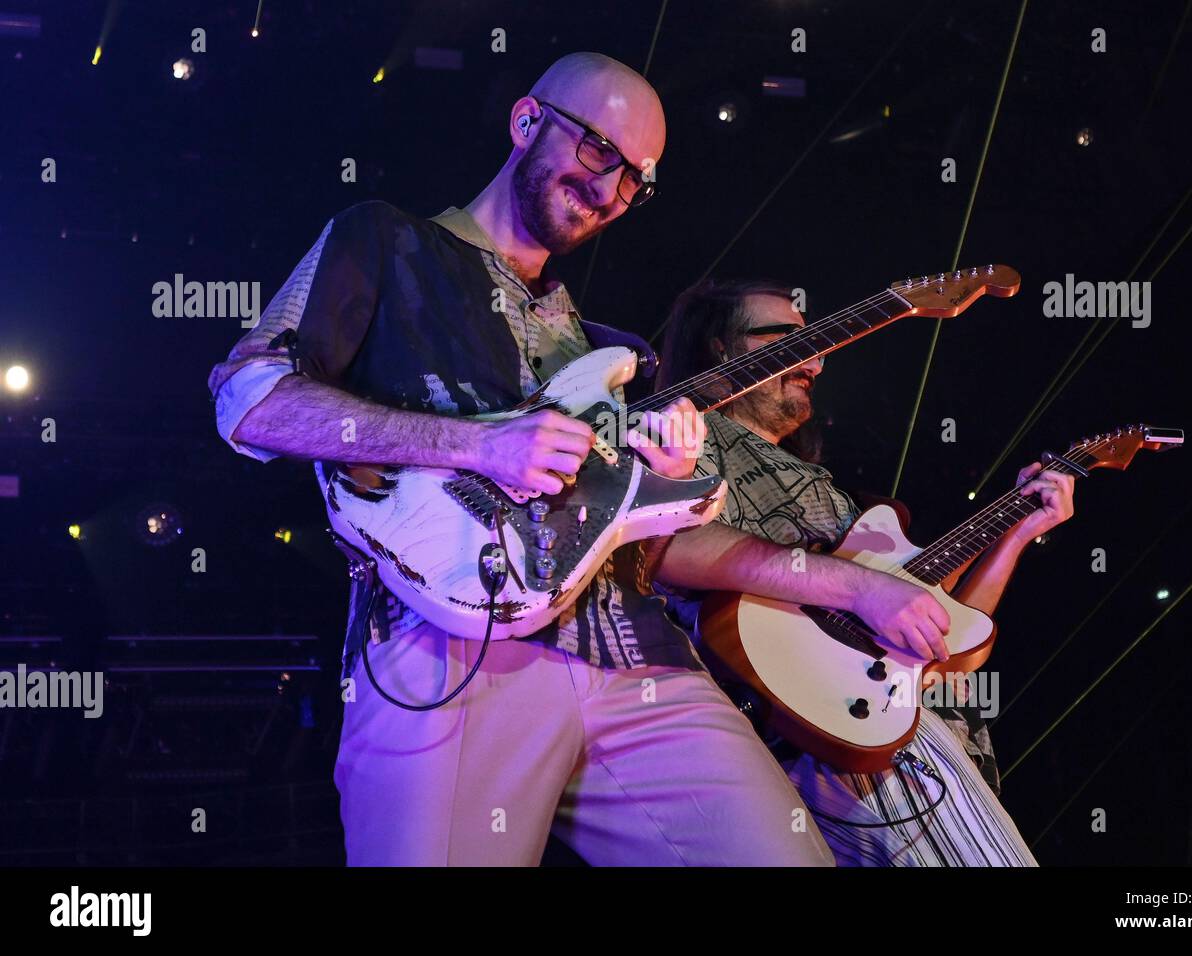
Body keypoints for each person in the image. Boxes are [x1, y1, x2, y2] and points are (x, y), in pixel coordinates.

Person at [209, 52, 857, 866]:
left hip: (634, 656)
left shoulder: (609, 351)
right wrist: (478, 444)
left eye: (636, 181)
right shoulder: (383, 239)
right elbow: (250, 398)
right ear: (526, 122)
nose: (613, 191)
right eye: (598, 152)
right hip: (449, 647)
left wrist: (670, 478)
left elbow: (644, 541)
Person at [653, 278, 1077, 866]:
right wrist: (863, 586)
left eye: (817, 343)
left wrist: (1018, 531)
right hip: (828, 727)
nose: (817, 361)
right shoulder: (683, 431)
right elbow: (667, 545)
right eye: (789, 339)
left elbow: (944, 626)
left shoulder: (820, 484)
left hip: (894, 719)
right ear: (721, 347)